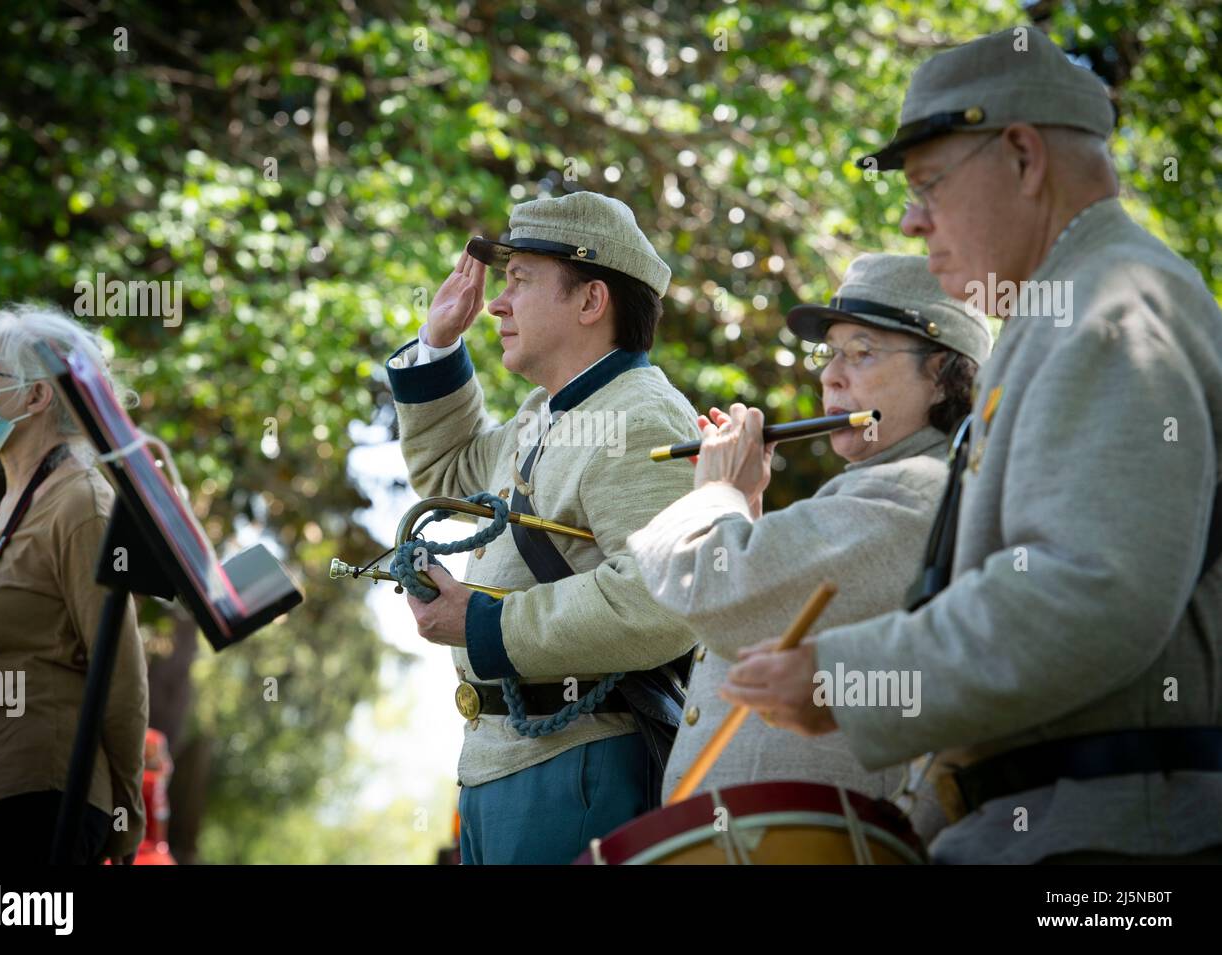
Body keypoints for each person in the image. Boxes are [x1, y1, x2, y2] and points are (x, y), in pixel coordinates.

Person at [722, 26, 1222, 864]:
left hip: (1100, 853)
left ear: (1023, 157)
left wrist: (844, 677)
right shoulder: (1074, 305)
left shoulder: (1111, 307)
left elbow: (1088, 592)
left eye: (928, 184)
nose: (914, 220)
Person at [627, 253, 990, 841]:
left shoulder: (918, 490)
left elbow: (713, 589)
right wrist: (742, 504)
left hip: (816, 846)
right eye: (829, 354)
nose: (831, 377)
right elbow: (762, 620)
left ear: (944, 372)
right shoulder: (885, 485)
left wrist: (716, 488)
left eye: (863, 352)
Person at [385, 190, 700, 864]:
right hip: (507, 765)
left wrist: (483, 624)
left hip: (579, 768)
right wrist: (438, 343)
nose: (497, 303)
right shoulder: (546, 411)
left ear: (590, 302)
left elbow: (662, 600)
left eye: (520, 280)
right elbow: (450, 472)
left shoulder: (640, 415)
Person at [0, 304, 148, 864]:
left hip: (36, 800)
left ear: (36, 397)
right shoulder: (14, 504)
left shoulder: (83, 503)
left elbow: (119, 672)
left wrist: (128, 813)